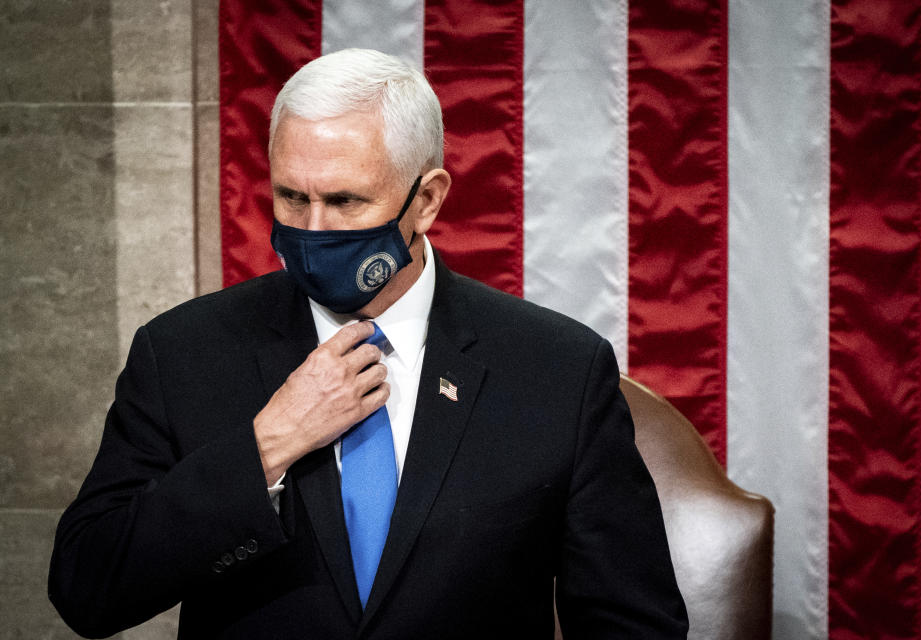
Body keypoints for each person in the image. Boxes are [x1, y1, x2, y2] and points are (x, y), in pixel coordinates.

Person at [48, 48, 687, 639]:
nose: (312, 228)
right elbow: (88, 589)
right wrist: (268, 445)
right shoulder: (182, 353)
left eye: (346, 200)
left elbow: (631, 622)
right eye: (291, 197)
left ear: (428, 200)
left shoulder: (558, 370)